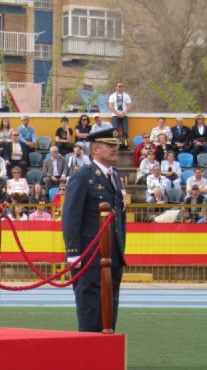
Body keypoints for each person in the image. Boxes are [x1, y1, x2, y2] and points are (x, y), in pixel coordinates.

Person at [63, 128, 126, 332]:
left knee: (110, 309)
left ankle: (107, 348)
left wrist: (120, 250)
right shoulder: (82, 176)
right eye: (110, 145)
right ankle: (90, 348)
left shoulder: (115, 176)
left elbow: (119, 218)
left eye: (116, 145)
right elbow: (71, 216)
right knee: (91, 309)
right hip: (90, 255)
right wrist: (73, 253)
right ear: (96, 149)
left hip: (112, 254)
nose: (115, 149)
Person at [108, 81, 132, 148]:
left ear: (123, 87)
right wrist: (117, 113)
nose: (120, 87)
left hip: (124, 116)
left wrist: (124, 113)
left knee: (125, 132)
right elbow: (110, 106)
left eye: (121, 86)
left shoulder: (126, 96)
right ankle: (115, 146)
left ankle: (126, 145)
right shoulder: (112, 96)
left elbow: (129, 105)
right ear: (116, 87)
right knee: (115, 132)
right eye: (119, 86)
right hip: (115, 115)